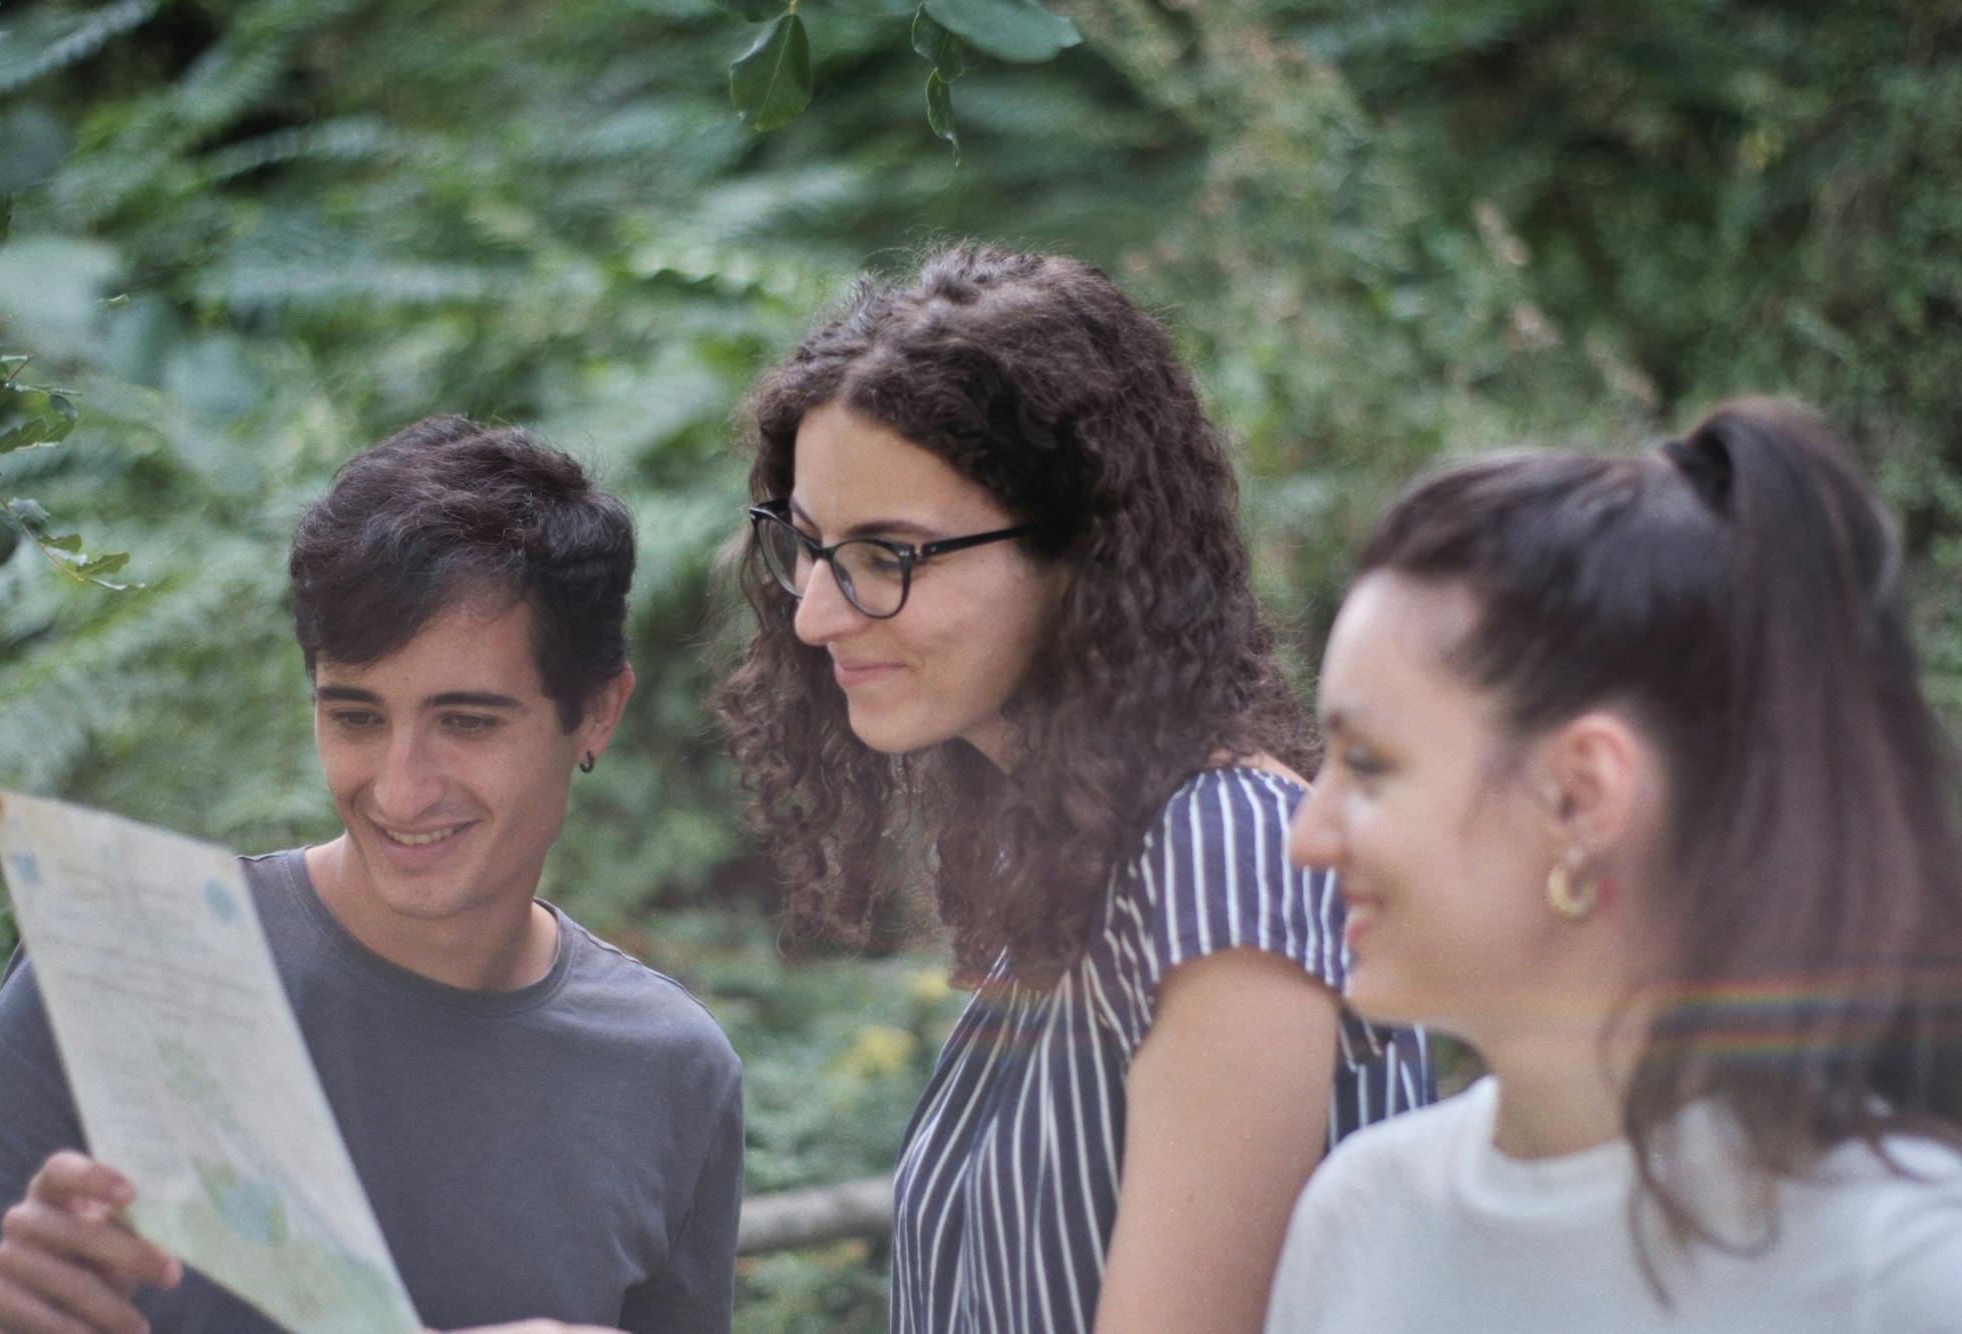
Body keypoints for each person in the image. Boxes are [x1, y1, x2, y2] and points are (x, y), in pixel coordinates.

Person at [715, 244, 1433, 1334]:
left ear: (1084, 551)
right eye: (807, 547)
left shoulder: (1226, 857)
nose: (815, 613)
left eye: (888, 553)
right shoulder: (1081, 855)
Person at [0, 418, 744, 1333]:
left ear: (598, 711)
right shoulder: (124, 966)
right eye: (358, 718)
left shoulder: (670, 1073)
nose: (402, 791)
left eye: (468, 722)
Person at [1265, 399, 1962, 1331]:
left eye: (1368, 764)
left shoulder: (1903, 1273)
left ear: (1581, 797)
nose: (1304, 836)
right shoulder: (1361, 1217)